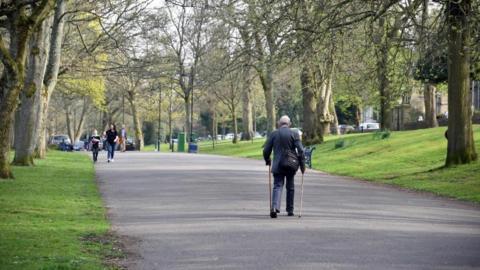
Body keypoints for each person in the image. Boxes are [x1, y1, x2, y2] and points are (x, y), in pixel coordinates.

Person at [263, 115, 305, 218]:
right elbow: (301, 150)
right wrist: (302, 165)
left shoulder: (274, 134)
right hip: (291, 164)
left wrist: (267, 159)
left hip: (277, 165)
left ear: (279, 123)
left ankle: (274, 207)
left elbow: (266, 150)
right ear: (289, 124)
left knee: (277, 185)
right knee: (290, 187)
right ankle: (290, 210)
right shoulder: (294, 134)